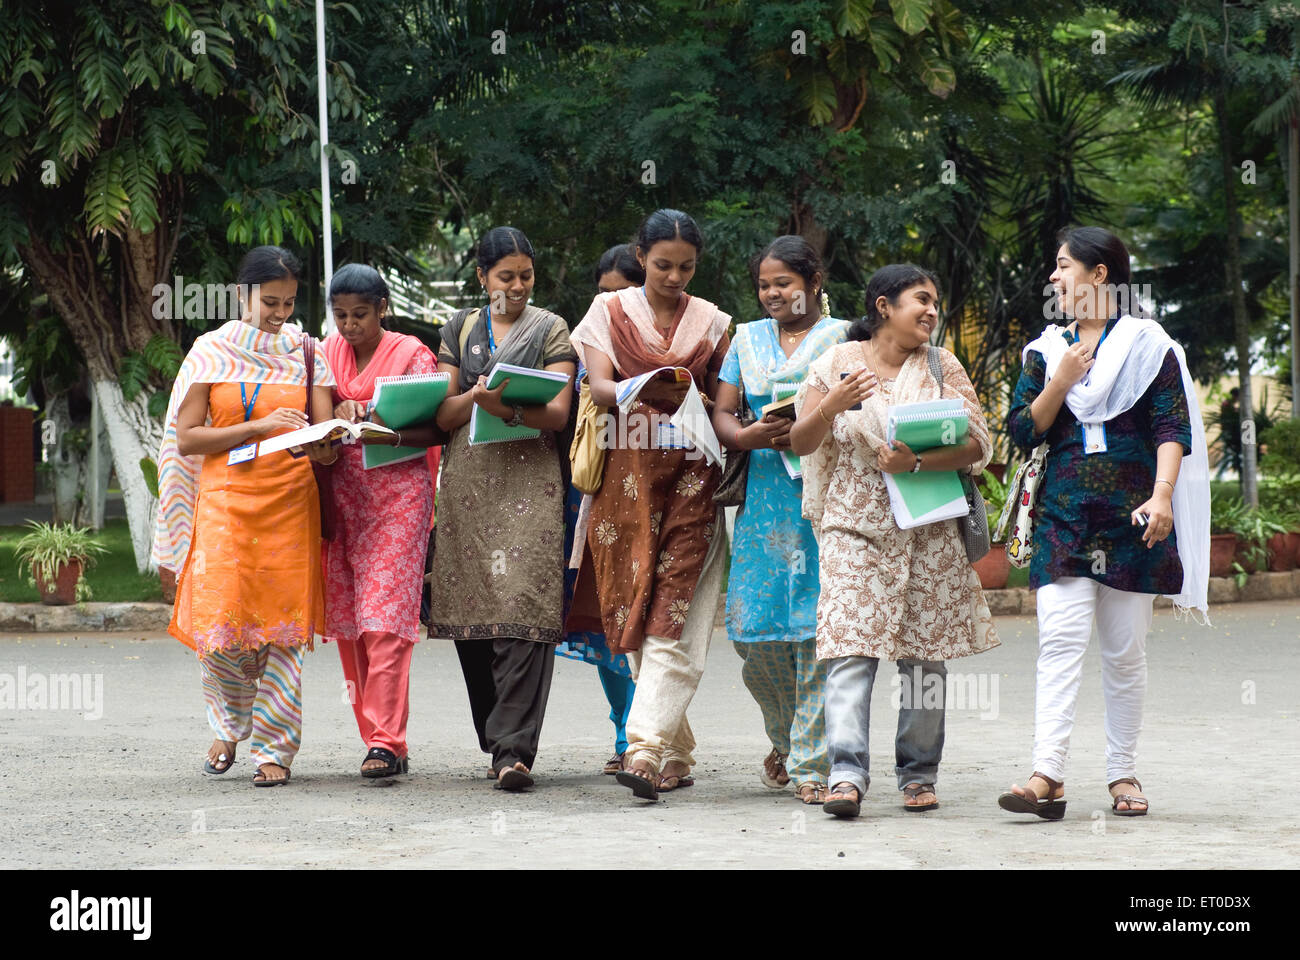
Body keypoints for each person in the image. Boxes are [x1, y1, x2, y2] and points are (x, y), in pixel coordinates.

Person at [997, 226, 1209, 820]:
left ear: (1099, 275)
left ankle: (1123, 774)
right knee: (1059, 640)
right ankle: (1047, 774)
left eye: (1063, 266)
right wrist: (1060, 382)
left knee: (1123, 652)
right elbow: (1020, 431)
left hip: (1133, 517)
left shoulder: (1150, 346)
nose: (1053, 278)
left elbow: (1173, 428)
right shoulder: (1045, 350)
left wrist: (1163, 495)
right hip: (1064, 514)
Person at [789, 263, 1000, 818]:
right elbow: (800, 439)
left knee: (925, 657)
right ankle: (846, 774)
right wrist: (832, 405)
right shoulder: (836, 362)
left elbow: (978, 444)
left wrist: (917, 461)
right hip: (852, 525)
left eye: (935, 302)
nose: (931, 311)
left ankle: (918, 773)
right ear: (883, 306)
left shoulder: (942, 366)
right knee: (850, 651)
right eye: (920, 300)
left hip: (928, 527)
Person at [153, 245, 336, 787]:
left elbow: (323, 441)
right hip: (225, 506)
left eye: (289, 302)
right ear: (241, 295)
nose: (280, 313)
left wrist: (334, 438)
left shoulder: (307, 352)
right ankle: (229, 725)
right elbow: (188, 437)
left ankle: (275, 750)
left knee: (281, 634)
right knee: (221, 629)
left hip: (289, 505)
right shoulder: (209, 351)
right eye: (270, 302)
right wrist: (257, 428)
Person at [570, 209, 731, 802]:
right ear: (641, 257)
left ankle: (642, 745)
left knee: (676, 608)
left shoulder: (714, 322)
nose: (675, 277)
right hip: (626, 475)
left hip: (695, 475)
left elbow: (722, 398)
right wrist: (640, 387)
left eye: (687, 267)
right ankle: (675, 749)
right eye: (664, 265)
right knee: (632, 611)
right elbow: (600, 386)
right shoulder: (607, 312)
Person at [426, 226, 577, 791]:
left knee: (524, 611)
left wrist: (509, 410)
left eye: (526, 276)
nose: (516, 286)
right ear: (482, 277)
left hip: (530, 484)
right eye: (505, 276)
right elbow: (443, 415)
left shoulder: (551, 328)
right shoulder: (459, 329)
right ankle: (495, 740)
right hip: (467, 483)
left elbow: (559, 412)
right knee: (472, 616)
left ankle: (514, 752)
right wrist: (476, 398)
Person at [711, 235, 848, 804]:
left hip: (823, 496)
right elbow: (720, 410)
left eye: (784, 283)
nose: (772, 293)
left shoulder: (842, 339)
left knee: (816, 633)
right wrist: (745, 435)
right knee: (755, 636)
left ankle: (812, 765)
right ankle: (786, 736)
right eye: (764, 284)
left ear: (813, 282)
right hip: (764, 498)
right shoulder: (744, 338)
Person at [321, 263, 441, 779]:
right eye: (341, 315)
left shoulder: (413, 354)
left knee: (385, 620)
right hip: (342, 498)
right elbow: (312, 418)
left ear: (383, 308)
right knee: (351, 622)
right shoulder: (324, 353)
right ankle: (376, 738)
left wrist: (377, 423)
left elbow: (435, 426)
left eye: (361, 315)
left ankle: (387, 740)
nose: (350, 326)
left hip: (398, 498)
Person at [555, 244, 642, 775]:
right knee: (603, 619)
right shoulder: (580, 342)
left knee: (642, 616)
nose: (610, 304)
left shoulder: (665, 343)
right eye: (603, 293)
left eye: (622, 294)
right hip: (589, 495)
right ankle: (624, 732)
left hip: (648, 494)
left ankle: (647, 733)